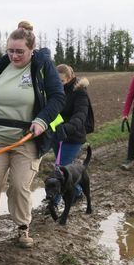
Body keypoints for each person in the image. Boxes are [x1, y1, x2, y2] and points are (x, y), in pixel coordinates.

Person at [0, 22, 65, 249]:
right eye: (10, 50)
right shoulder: (0, 66)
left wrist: (42, 120)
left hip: (27, 137)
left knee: (19, 185)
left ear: (32, 49)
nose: (14, 55)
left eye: (20, 51)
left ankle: (22, 227)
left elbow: (58, 97)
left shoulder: (42, 67)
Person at [50, 64, 92, 207]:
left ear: (70, 78)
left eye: (62, 81)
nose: (59, 83)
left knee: (61, 169)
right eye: (57, 80)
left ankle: (54, 201)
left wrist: (68, 128)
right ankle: (78, 191)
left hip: (74, 135)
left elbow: (80, 115)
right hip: (57, 134)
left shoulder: (80, 92)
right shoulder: (54, 91)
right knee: (64, 166)